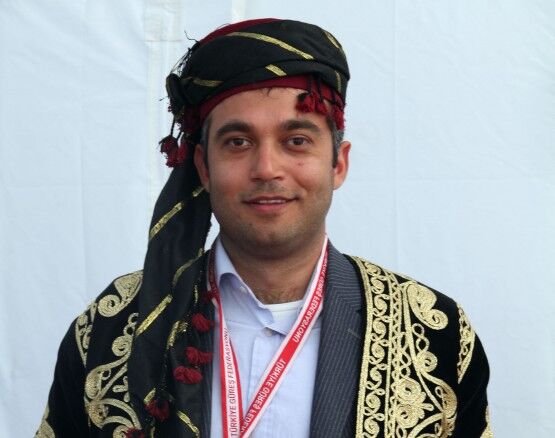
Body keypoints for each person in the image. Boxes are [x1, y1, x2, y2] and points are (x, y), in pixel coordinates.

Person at [36, 18, 492, 438]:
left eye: (296, 140)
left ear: (338, 163)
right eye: (238, 142)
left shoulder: (433, 333)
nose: (267, 168)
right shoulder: (113, 327)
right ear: (204, 167)